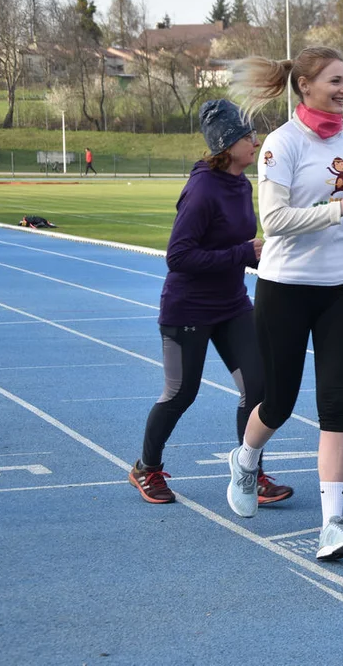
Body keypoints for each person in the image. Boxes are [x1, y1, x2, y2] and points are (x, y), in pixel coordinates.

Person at [225, 46, 343, 561]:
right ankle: (247, 459)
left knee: (336, 404)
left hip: (341, 288)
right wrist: (342, 208)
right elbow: (273, 223)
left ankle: (332, 525)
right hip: (286, 288)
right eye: (336, 80)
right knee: (281, 402)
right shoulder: (280, 144)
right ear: (306, 85)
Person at [128, 99, 292, 507]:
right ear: (226, 144)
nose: (256, 142)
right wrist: (241, 253)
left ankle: (248, 471)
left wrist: (256, 254)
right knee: (181, 393)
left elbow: (238, 246)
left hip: (232, 305)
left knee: (259, 388)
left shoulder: (243, 182)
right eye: (248, 136)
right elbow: (178, 256)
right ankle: (145, 468)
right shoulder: (202, 190)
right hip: (188, 309)